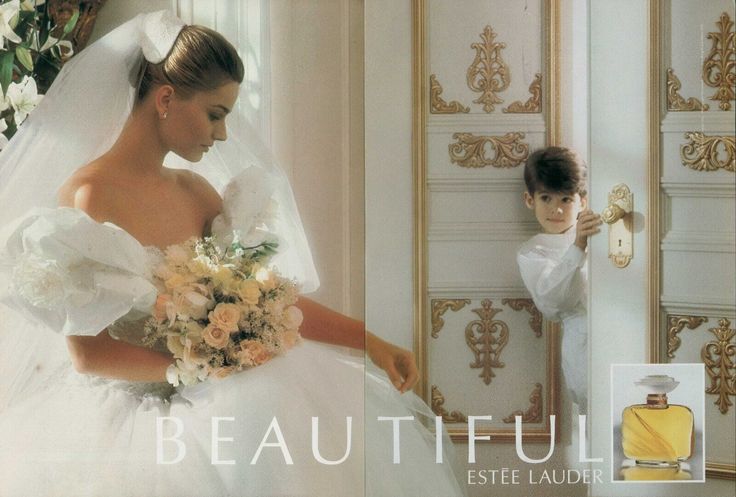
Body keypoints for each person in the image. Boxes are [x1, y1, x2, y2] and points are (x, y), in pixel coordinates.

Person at [0, 10, 465, 497]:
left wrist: (369, 340)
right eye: (215, 114)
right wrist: (206, 367)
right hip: (131, 424)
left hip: (215, 395)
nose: (221, 135)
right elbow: (88, 354)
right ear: (165, 99)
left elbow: (265, 303)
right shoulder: (89, 196)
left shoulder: (197, 192)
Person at [516, 146, 602, 414]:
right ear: (530, 200)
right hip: (582, 345)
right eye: (546, 198)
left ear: (582, 202)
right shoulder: (533, 252)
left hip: (621, 332)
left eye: (565, 200)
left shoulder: (598, 232)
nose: (556, 210)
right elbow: (554, 302)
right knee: (597, 420)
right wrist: (578, 247)